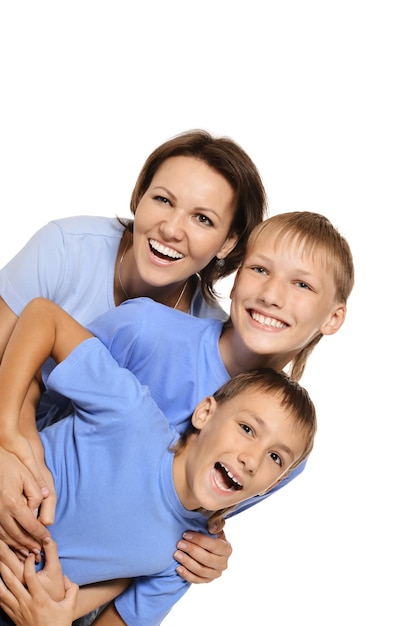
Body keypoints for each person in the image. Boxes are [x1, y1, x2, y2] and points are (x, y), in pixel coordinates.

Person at [0, 210, 354, 622]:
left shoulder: (289, 452)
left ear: (333, 317)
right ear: (234, 276)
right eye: (259, 269)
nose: (273, 295)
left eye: (302, 284)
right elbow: (38, 372)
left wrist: (66, 608)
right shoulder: (148, 329)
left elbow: (168, 536)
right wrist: (10, 443)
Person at [0, 128, 267, 582]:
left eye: (203, 219)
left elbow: (174, 482)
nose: (171, 228)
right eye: (162, 200)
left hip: (66, 530)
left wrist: (207, 543)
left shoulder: (209, 338)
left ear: (227, 243)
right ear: (139, 197)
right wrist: (10, 444)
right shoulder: (66, 248)